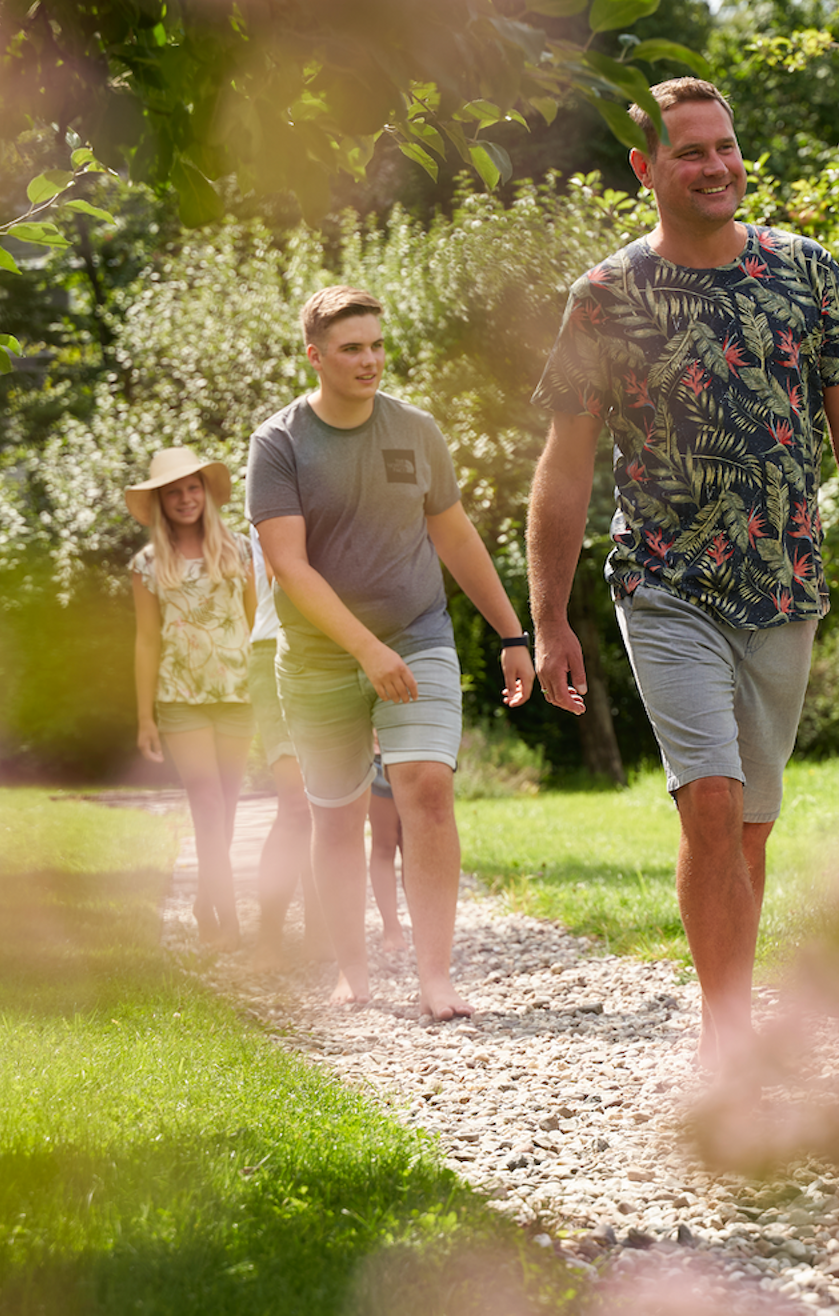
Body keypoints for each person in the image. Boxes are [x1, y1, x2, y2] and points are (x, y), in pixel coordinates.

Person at [525, 78, 839, 1070]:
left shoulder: (804, 271)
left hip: (784, 581)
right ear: (645, 168)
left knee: (750, 833)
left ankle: (728, 1014)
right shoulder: (605, 297)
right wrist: (549, 618)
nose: (715, 165)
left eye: (724, 146)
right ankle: (727, 1039)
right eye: (689, 151)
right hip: (663, 580)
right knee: (712, 801)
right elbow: (564, 467)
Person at [248, 285, 535, 1020]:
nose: (369, 360)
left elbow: (454, 535)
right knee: (338, 817)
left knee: (427, 790)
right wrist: (365, 650)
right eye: (352, 348)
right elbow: (289, 567)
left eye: (377, 345)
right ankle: (354, 972)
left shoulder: (415, 430)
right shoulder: (278, 444)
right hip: (316, 659)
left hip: (417, 634)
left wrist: (513, 634)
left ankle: (436, 978)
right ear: (315, 356)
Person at [128, 446, 259, 950]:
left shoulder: (240, 550)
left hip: (238, 693)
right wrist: (145, 718)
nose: (185, 499)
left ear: (205, 492)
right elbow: (146, 641)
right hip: (180, 698)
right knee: (206, 804)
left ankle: (207, 900)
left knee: (227, 807)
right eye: (173, 493)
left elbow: (257, 623)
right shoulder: (146, 565)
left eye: (192, 488)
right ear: (160, 502)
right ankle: (228, 921)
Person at [247, 530, 320, 969]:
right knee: (297, 805)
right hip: (278, 647)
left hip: (336, 649)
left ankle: (319, 935)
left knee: (327, 805)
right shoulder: (273, 491)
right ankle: (269, 938)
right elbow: (285, 574)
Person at [367, 746, 408, 953]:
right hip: (376, 754)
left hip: (417, 752)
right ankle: (391, 928)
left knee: (415, 846)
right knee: (384, 844)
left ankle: (427, 927)